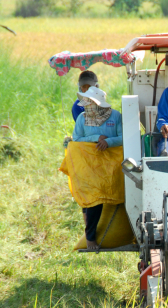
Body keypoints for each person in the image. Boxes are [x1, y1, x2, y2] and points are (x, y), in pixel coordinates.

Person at [72, 86, 123, 250]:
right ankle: (91, 238)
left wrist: (109, 142)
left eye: (90, 102)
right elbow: (76, 139)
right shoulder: (81, 118)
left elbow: (124, 137)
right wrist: (96, 138)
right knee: (94, 200)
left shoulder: (115, 116)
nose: (87, 105)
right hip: (90, 165)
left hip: (112, 166)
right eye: (86, 102)